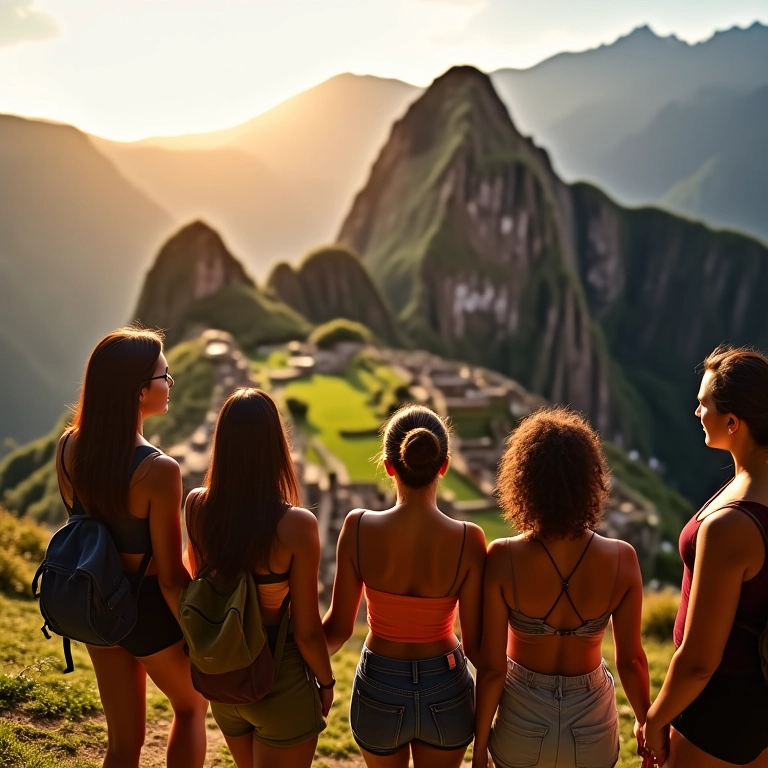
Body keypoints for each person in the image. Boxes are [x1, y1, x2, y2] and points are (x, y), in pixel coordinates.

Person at [56, 327, 207, 768]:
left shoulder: (69, 446)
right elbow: (171, 575)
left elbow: (83, 523)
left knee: (124, 741)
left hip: (93, 597)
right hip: (144, 610)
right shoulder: (158, 470)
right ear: (140, 391)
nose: (170, 383)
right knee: (191, 707)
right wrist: (199, 632)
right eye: (165, 376)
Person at [473, 406, 650, 768]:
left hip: (522, 721)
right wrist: (648, 726)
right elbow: (631, 661)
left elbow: (492, 669)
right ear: (589, 481)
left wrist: (478, 752)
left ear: (523, 482)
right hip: (592, 727)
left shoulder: (503, 557)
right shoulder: (622, 559)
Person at [323, 404, 487, 768]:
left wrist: (289, 649)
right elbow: (478, 647)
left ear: (388, 465)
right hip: (446, 685)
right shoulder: (468, 540)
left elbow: (335, 631)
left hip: (381, 680)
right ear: (443, 466)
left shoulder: (358, 528)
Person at [184, 387, 333, 768]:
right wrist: (326, 683)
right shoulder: (296, 525)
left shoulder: (197, 506)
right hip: (277, 680)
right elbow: (307, 630)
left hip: (224, 678)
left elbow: (200, 583)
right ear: (276, 447)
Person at [643, 345, 768, 767]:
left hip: (721, 708)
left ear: (732, 423)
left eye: (703, 405)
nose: (697, 413)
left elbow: (699, 660)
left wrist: (656, 716)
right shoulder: (748, 487)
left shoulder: (732, 525)